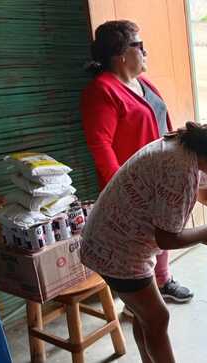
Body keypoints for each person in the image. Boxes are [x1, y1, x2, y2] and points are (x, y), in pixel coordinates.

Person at [81, 121, 207, 363]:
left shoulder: (193, 148)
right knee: (157, 318)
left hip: (113, 237)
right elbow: (167, 238)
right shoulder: (179, 170)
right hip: (117, 249)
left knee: (144, 315)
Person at [80, 20, 192, 304]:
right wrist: (120, 187)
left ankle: (163, 280)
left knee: (164, 225)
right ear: (120, 53)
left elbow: (162, 119)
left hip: (159, 172)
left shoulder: (143, 82)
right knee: (142, 238)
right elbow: (100, 144)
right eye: (139, 46)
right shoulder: (102, 90)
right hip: (132, 182)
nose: (145, 52)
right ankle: (141, 294)